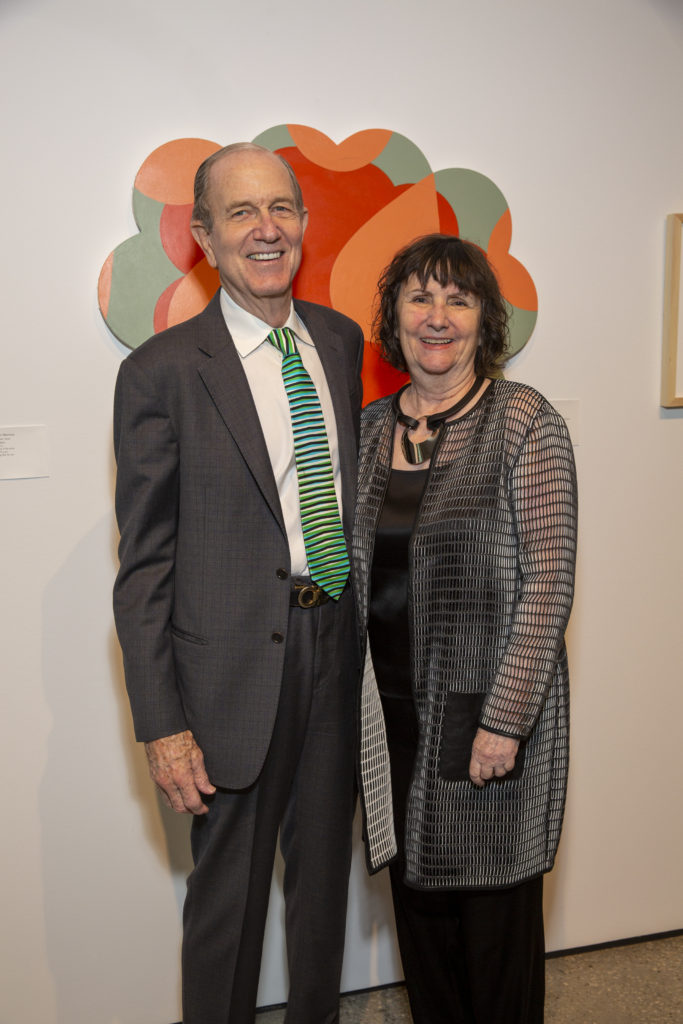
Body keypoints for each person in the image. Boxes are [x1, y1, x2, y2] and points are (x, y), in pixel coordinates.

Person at [113, 142, 364, 1024]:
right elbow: (142, 565)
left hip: (334, 644)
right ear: (206, 239)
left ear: (302, 223)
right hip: (226, 678)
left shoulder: (338, 341)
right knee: (227, 911)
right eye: (242, 214)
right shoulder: (161, 373)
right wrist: (161, 726)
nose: (267, 230)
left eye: (281, 209)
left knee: (325, 899)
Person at [352, 234, 578, 1023]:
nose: (436, 316)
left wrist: (504, 722)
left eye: (458, 298)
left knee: (492, 938)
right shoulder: (371, 430)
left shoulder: (524, 422)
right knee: (421, 928)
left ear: (484, 320)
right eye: (419, 297)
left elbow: (548, 583)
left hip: (486, 724)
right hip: (391, 722)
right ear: (394, 317)